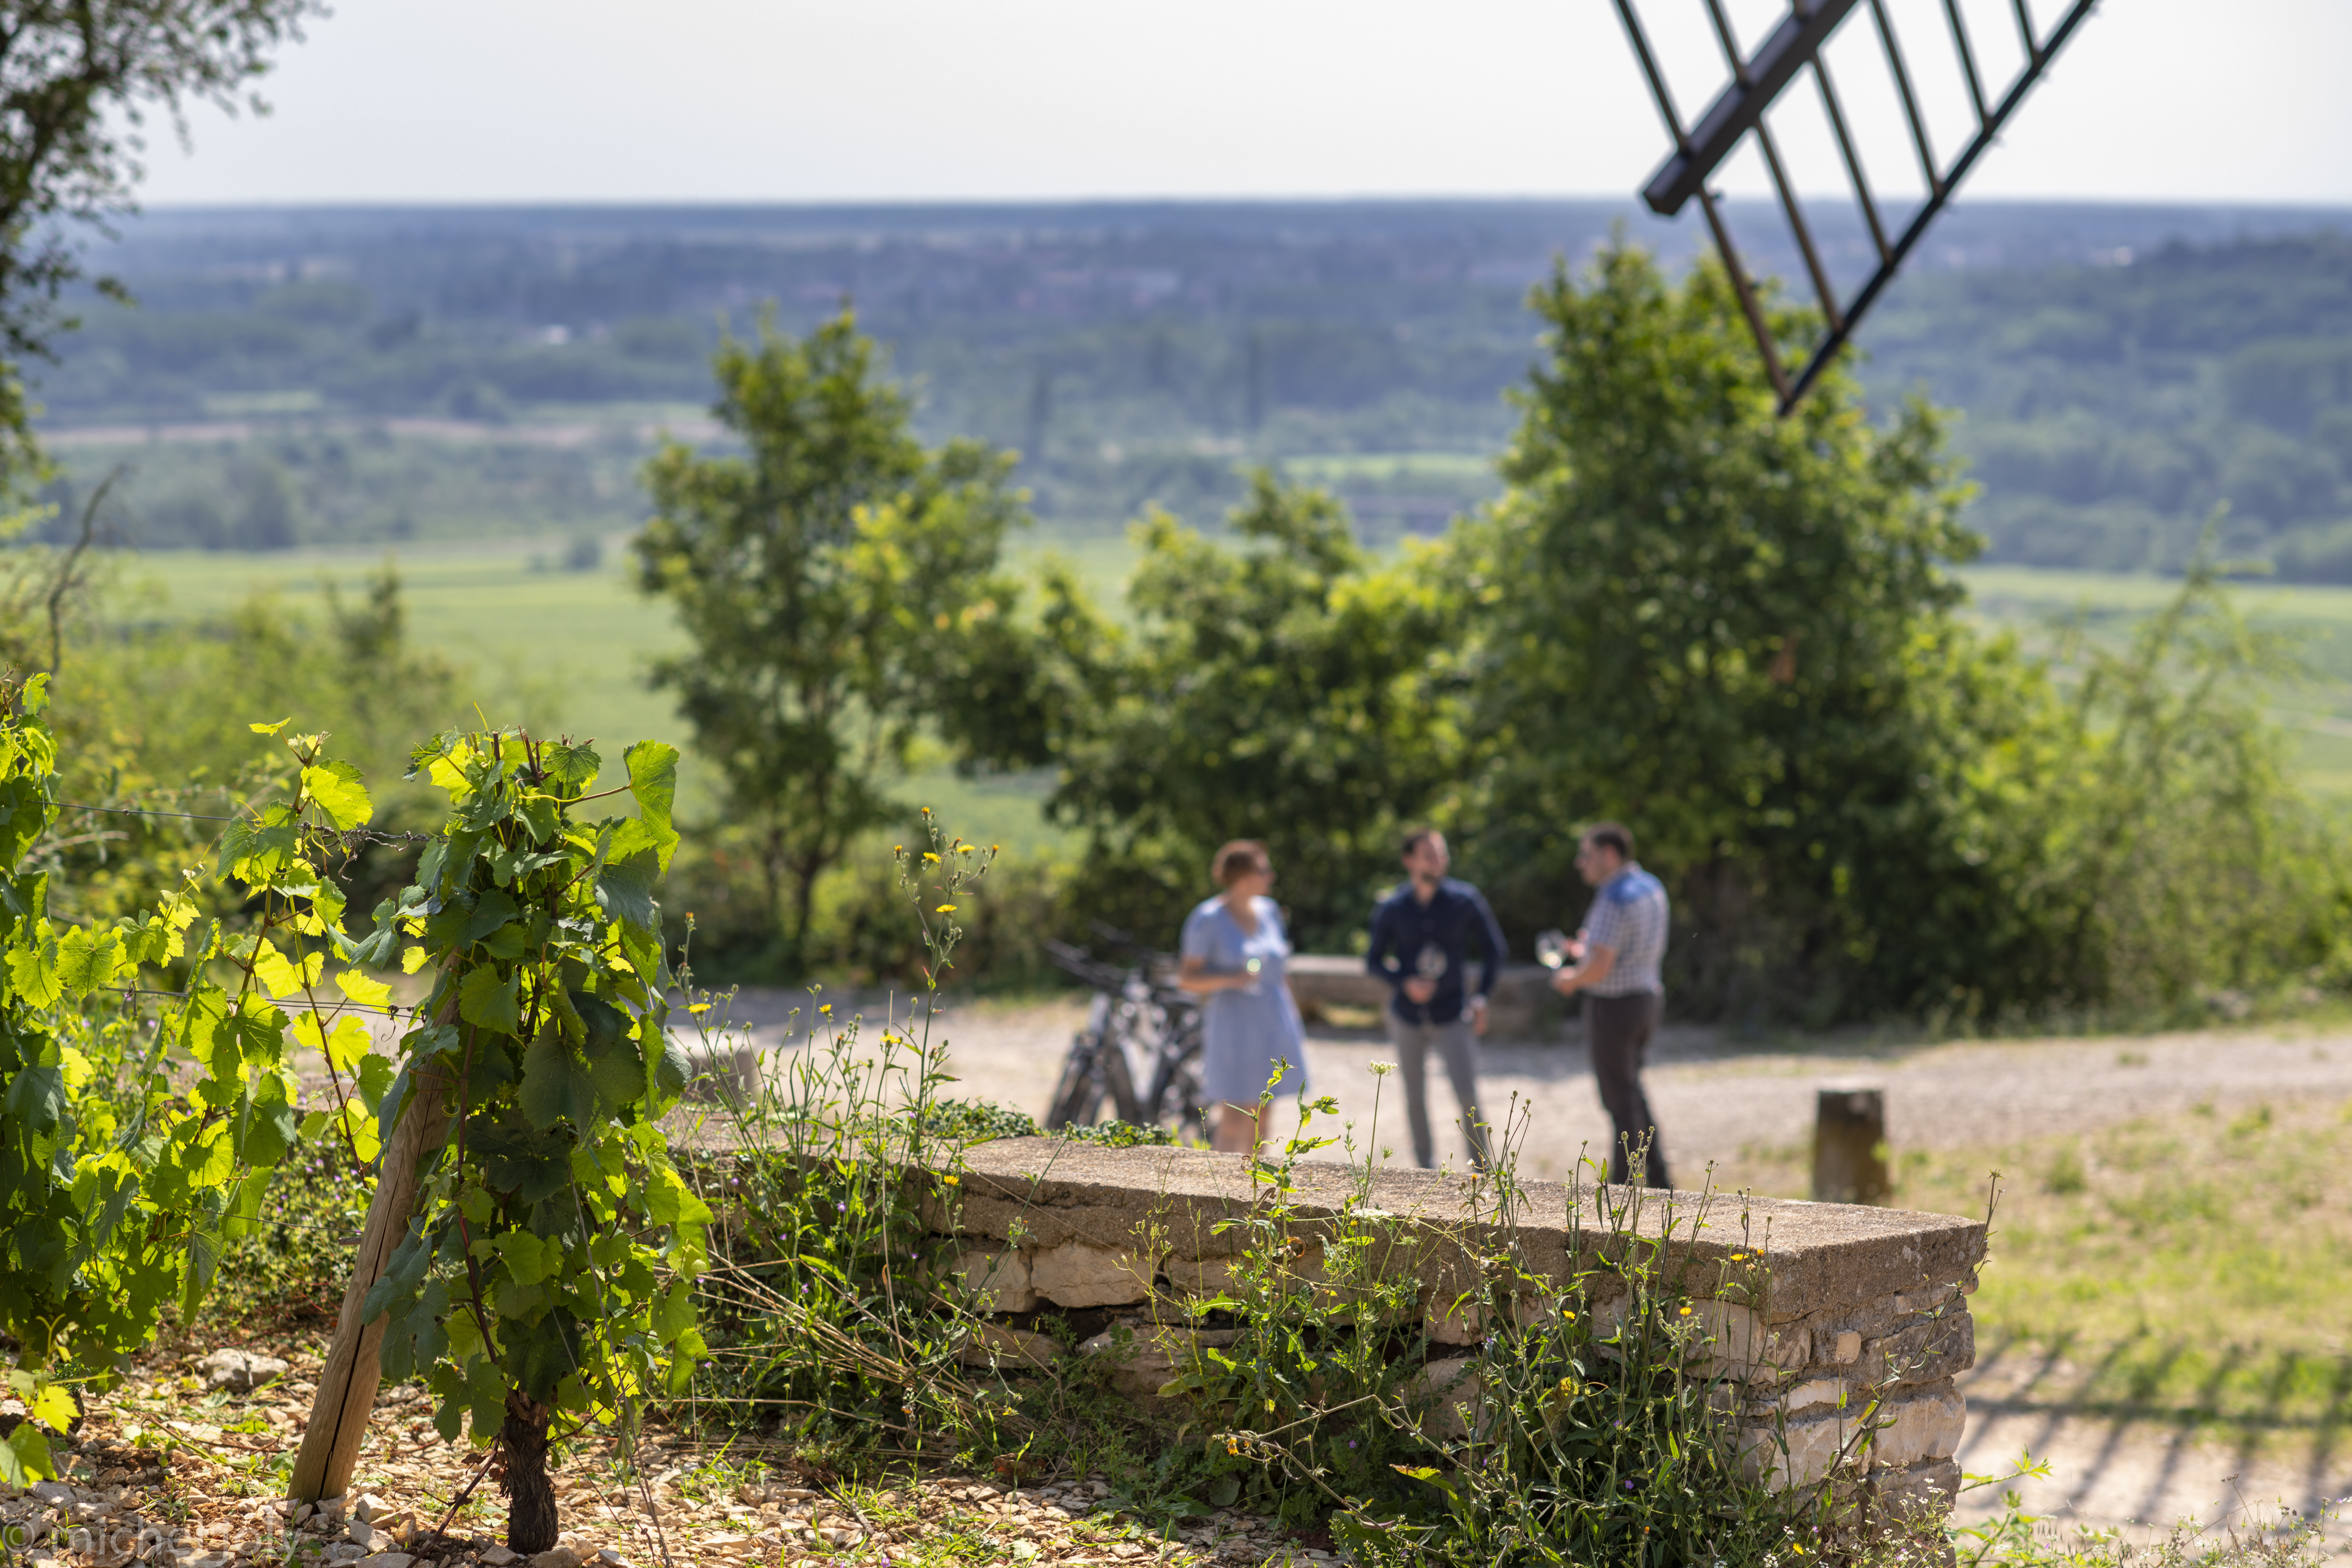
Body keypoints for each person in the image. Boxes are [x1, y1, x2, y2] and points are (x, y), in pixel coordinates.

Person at [1365, 827, 1506, 1170]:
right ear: (1409, 860)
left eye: (1441, 853)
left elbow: (1495, 950)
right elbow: (1373, 960)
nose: (1438, 861)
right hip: (1407, 1015)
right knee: (1415, 1096)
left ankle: (1483, 1171)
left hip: (1452, 1013)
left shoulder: (1465, 899)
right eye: (1429, 854)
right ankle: (1424, 1170)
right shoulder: (1393, 906)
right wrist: (1404, 982)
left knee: (1468, 1095)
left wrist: (1483, 997)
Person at [1550, 822, 1671, 1188]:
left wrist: (1570, 979)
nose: (1580, 863)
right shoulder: (1650, 886)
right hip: (1646, 1000)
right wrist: (1584, 952)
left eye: (1586, 854)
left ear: (1609, 854)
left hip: (1614, 1008)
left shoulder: (1612, 897)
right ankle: (1661, 1178)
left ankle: (1624, 1187)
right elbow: (1622, 950)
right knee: (1632, 1091)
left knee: (1620, 1102)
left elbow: (1601, 967)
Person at [1178, 840, 1309, 1154]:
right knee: (1236, 1114)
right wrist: (1231, 979)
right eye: (1264, 870)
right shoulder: (1207, 918)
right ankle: (1221, 1195)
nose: (1271, 877)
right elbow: (1186, 979)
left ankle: (1254, 1192)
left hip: (1272, 1019)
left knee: (1264, 1113)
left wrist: (1295, 1016)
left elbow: (1280, 970)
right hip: (1234, 1026)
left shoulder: (1270, 911)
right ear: (1241, 875)